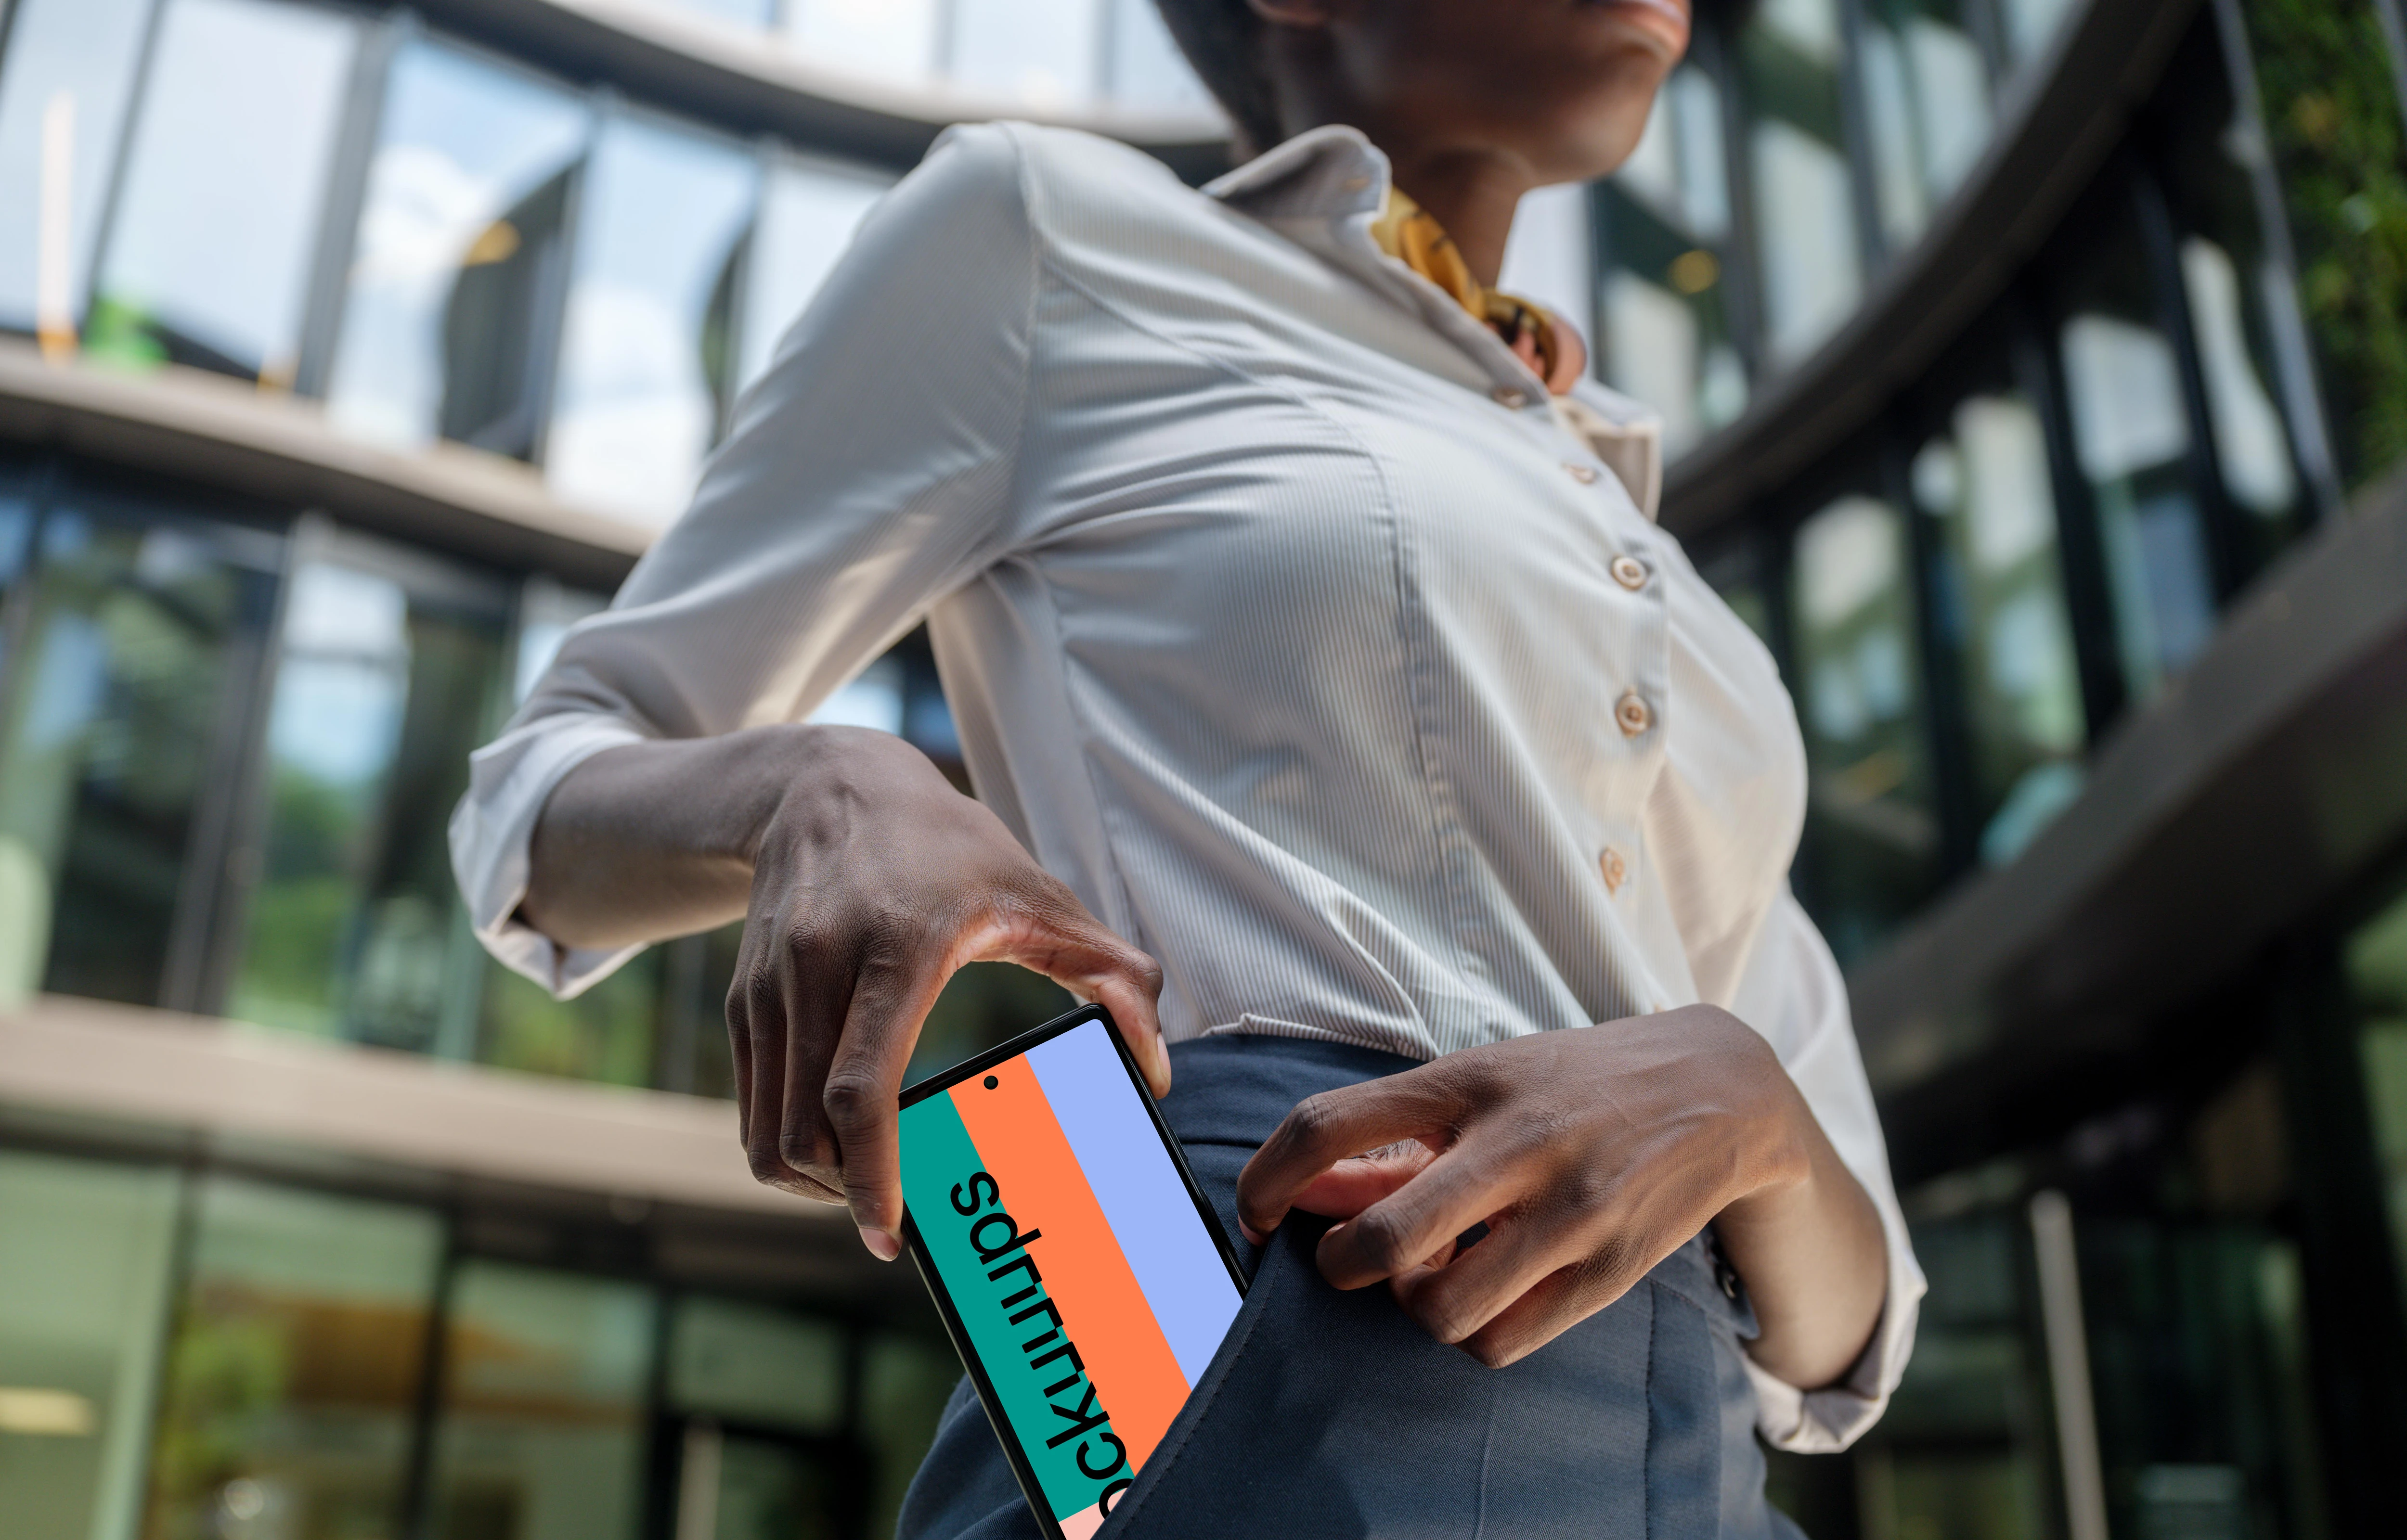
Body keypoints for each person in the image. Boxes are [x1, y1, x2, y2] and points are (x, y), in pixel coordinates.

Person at [451, 0, 1924, 1532]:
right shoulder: (1051, 236)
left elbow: (1836, 1333)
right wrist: (813, 784)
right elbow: (536, 800)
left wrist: (1747, 1102)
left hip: (1688, 1442)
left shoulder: (1624, 517)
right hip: (1256, 1300)